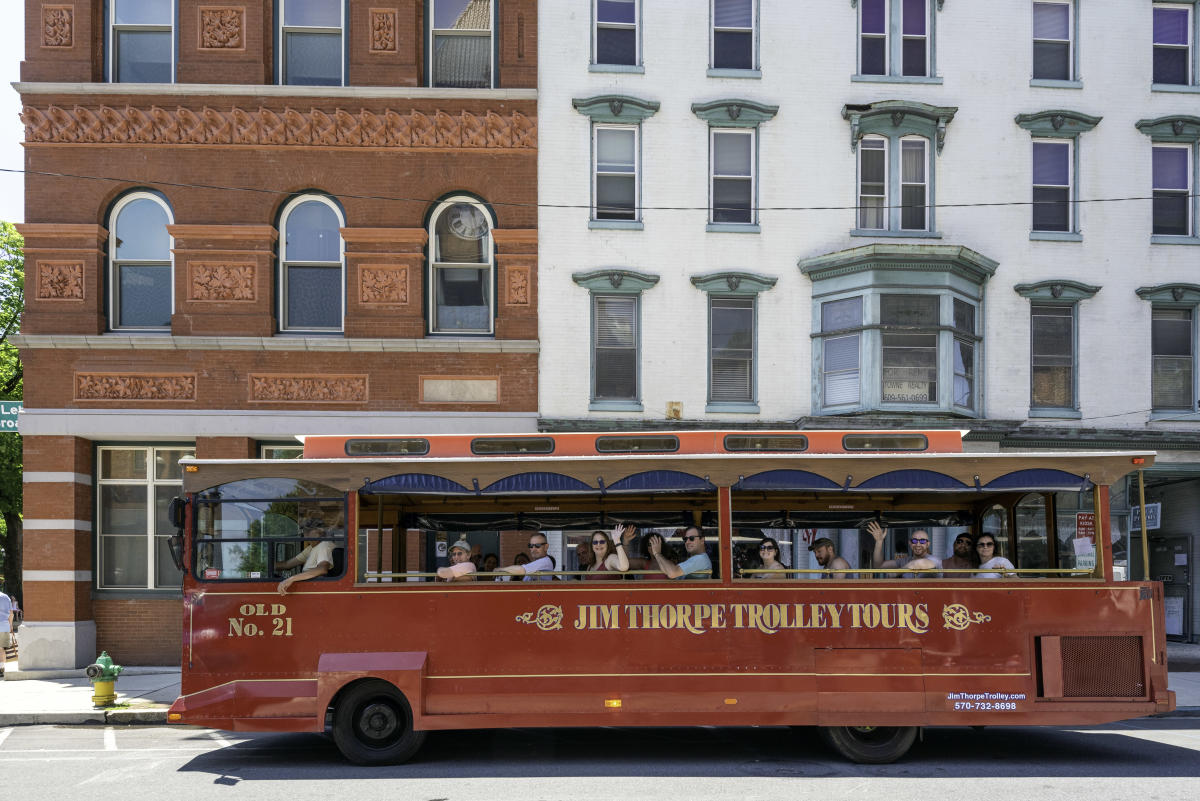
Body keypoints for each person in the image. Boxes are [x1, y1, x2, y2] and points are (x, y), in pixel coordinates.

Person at [276, 522, 335, 594]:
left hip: (314, 588)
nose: (305, 534)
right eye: (304, 531)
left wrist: (291, 579)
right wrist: (265, 566)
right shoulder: (311, 548)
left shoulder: (324, 545)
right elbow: (287, 564)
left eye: (308, 531)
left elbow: (322, 569)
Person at [868, 521, 941, 578]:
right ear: (910, 543)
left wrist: (896, 573)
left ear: (928, 544)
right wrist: (879, 542)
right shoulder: (904, 561)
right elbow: (878, 565)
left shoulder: (935, 560)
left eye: (922, 541)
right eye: (914, 541)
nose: (918, 544)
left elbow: (918, 564)